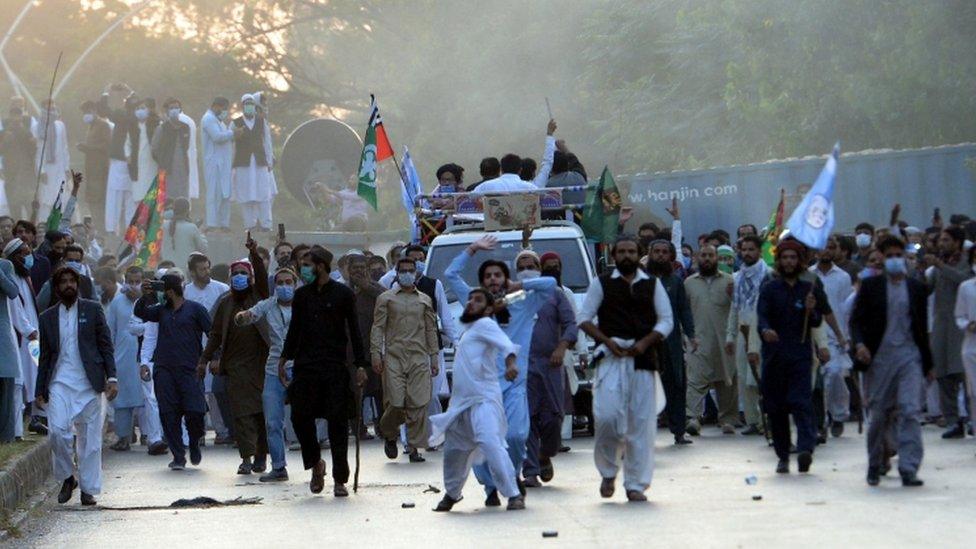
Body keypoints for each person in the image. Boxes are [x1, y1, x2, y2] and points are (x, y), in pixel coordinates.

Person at [444, 235, 555, 505]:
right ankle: (491, 486)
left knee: (516, 435)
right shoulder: (475, 303)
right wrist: (472, 249)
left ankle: (511, 473)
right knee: (485, 439)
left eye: (498, 275)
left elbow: (550, 283)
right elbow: (451, 274)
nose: (493, 279)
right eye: (489, 276)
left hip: (514, 382)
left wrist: (518, 285)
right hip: (482, 388)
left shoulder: (523, 301)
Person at [578, 235, 674, 502]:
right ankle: (608, 471)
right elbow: (583, 319)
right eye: (622, 252)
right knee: (608, 418)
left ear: (638, 253)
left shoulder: (652, 285)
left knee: (640, 426)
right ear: (614, 255)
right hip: (610, 359)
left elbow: (666, 321)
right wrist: (606, 341)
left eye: (632, 251)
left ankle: (636, 484)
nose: (627, 256)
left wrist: (644, 344)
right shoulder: (602, 283)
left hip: (642, 360)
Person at [279, 247, 367, 496]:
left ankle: (340, 479)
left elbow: (355, 332)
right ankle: (315, 463)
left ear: (321, 266)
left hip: (334, 367)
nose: (303, 269)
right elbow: (294, 330)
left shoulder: (343, 295)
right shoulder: (301, 296)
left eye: (308, 264)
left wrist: (361, 365)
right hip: (306, 367)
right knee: (299, 417)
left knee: (337, 425)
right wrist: (285, 357)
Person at [430, 289, 525, 512]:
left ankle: (513, 494)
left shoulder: (485, 325)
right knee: (455, 452)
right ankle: (452, 494)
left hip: (484, 400)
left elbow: (506, 345)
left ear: (489, 309)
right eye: (470, 298)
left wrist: (511, 364)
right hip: (461, 404)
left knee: (490, 443)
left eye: (478, 300)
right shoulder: (469, 329)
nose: (471, 302)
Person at [851, 236, 933, 487]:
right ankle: (875, 463)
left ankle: (908, 467)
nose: (895, 260)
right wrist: (860, 344)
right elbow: (856, 321)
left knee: (910, 410)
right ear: (883, 259)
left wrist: (929, 364)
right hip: (880, 359)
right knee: (879, 414)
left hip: (909, 357)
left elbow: (921, 328)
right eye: (890, 256)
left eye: (899, 255)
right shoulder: (871, 286)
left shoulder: (916, 288)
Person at [36, 266, 117, 506]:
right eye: (64, 282)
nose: (69, 285)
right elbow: (45, 356)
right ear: (57, 287)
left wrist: (112, 378)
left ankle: (88, 490)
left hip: (90, 382)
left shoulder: (93, 310)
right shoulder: (47, 317)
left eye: (73, 281)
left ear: (78, 284)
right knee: (57, 433)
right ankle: (68, 477)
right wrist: (40, 389)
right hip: (59, 381)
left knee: (90, 441)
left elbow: (106, 345)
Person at [200, 238, 270, 475]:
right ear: (230, 279)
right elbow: (216, 334)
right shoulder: (226, 303)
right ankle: (246, 458)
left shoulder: (259, 296)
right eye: (235, 274)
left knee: (261, 413)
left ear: (249, 278)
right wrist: (205, 359)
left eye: (243, 273)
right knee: (241, 415)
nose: (239, 277)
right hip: (236, 368)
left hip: (261, 364)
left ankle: (261, 456)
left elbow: (261, 273)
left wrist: (253, 254)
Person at [133, 272, 212, 470]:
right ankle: (178, 455)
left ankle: (194, 442)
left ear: (170, 291)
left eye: (162, 290)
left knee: (195, 411)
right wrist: (145, 295)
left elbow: (213, 334)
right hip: (164, 370)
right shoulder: (161, 311)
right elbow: (142, 312)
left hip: (190, 369)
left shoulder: (196, 310)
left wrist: (212, 358)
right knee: (169, 414)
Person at [757, 240, 823, 474]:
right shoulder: (769, 288)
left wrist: (811, 310)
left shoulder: (808, 288)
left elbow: (816, 321)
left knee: (801, 402)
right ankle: (783, 455)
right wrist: (766, 331)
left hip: (800, 355)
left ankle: (806, 448)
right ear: (779, 260)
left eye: (793, 258)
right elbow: (762, 317)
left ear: (800, 261)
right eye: (785, 258)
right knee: (776, 408)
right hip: (775, 357)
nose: (788, 262)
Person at [517, 250, 579, 486]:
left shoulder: (555, 294)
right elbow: (499, 319)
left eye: (531, 265)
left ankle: (545, 455)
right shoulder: (515, 296)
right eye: (521, 267)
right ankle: (530, 472)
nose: (526, 270)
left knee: (553, 418)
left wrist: (562, 348)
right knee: (528, 420)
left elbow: (571, 324)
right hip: (523, 367)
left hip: (551, 365)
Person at [371, 257, 439, 463]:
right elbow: (378, 327)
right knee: (397, 402)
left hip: (419, 357)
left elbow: (430, 329)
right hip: (394, 357)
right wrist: (376, 353)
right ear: (397, 273)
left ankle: (415, 447)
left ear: (416, 274)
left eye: (411, 270)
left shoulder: (425, 300)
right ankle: (390, 434)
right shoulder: (386, 298)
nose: (407, 274)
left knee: (419, 404)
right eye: (404, 270)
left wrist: (434, 357)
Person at [235, 266, 297, 482]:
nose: (284, 287)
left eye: (289, 282)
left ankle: (315, 462)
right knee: (272, 420)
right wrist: (242, 317)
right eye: (280, 283)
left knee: (305, 418)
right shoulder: (268, 305)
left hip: (300, 366)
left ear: (295, 284)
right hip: (274, 368)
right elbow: (252, 314)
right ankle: (279, 466)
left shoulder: (304, 304)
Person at [684, 245, 738, 435]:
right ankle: (693, 417)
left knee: (727, 379)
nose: (707, 259)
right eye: (703, 255)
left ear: (717, 258)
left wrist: (734, 297)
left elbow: (737, 309)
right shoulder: (689, 283)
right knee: (695, 379)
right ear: (698, 258)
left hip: (725, 340)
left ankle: (728, 420)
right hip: (697, 340)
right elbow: (685, 313)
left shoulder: (729, 282)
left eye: (711, 255)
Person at [646, 240, 696, 444]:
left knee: (676, 385)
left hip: (671, 343)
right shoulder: (641, 280)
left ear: (671, 256)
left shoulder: (675, 282)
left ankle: (679, 431)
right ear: (650, 254)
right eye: (656, 252)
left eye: (664, 252)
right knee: (646, 388)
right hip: (646, 344)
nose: (660, 256)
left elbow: (683, 309)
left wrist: (691, 335)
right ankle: (645, 435)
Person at [926, 226, 972, 439]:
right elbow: (927, 288)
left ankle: (972, 418)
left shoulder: (966, 263)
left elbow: (964, 281)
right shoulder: (937, 266)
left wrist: (941, 266)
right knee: (943, 375)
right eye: (940, 241)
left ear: (957, 242)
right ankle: (953, 421)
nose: (941, 244)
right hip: (941, 326)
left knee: (965, 375)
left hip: (962, 328)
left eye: (946, 240)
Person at [182, 252, 232, 443]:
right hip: (193, 348)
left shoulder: (221, 289)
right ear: (193, 272)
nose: (206, 272)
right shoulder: (186, 292)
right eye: (201, 269)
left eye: (207, 267)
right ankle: (198, 432)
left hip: (217, 348)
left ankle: (222, 431)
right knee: (196, 392)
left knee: (214, 393)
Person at [809, 236, 854, 437]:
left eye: (831, 248)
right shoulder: (809, 276)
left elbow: (846, 309)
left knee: (835, 374)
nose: (826, 251)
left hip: (837, 337)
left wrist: (846, 336)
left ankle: (839, 415)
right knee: (818, 381)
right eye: (823, 248)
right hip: (814, 335)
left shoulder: (843, 277)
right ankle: (821, 420)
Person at [725, 235, 767, 435]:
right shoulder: (737, 277)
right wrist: (730, 336)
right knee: (743, 377)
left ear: (759, 251)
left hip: (761, 332)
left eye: (752, 249)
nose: (748, 253)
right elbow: (735, 308)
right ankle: (752, 421)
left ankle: (766, 419)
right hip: (742, 331)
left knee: (759, 377)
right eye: (744, 249)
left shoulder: (769, 275)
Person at [232, 94, 276, 232]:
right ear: (242, 106)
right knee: (245, 196)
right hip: (243, 164)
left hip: (260, 162)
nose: (249, 106)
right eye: (247, 104)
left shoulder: (262, 122)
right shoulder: (235, 123)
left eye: (251, 104)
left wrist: (269, 161)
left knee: (264, 194)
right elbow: (231, 146)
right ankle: (249, 225)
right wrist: (231, 166)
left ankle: (266, 224)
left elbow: (267, 142)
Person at [98, 85, 139, 234]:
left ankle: (111, 228)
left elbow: (103, 110)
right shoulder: (137, 119)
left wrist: (106, 92)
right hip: (133, 163)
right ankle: (130, 231)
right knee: (130, 199)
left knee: (114, 196)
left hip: (119, 161)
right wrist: (130, 91)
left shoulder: (122, 116)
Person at [32, 100, 71, 222]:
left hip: (59, 167)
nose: (52, 111)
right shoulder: (37, 127)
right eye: (49, 109)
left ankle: (59, 225)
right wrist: (41, 170)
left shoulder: (60, 125)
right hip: (45, 169)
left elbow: (64, 147)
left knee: (60, 197)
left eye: (53, 108)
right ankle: (43, 225)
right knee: (45, 200)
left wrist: (66, 168)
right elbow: (37, 151)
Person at [201, 97, 234, 232]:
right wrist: (233, 133)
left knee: (225, 193)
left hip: (224, 164)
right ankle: (212, 223)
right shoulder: (208, 119)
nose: (225, 111)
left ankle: (224, 223)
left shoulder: (220, 122)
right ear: (216, 106)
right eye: (223, 108)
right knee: (214, 193)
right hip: (213, 163)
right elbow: (217, 137)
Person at [76, 101, 112, 228]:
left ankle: (102, 229)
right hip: (91, 169)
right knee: (92, 200)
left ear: (95, 111)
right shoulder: (91, 126)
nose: (86, 114)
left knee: (98, 201)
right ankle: (97, 227)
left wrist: (88, 147)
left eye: (88, 111)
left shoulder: (103, 125)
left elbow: (107, 145)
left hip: (100, 169)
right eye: (84, 112)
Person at [954, 245, 976, 440]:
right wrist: (968, 325)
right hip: (971, 347)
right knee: (974, 392)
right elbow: (959, 316)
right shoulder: (966, 287)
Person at [0, 102, 37, 215]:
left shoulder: (28, 133)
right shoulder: (4, 133)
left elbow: (34, 152)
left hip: (27, 176)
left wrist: (33, 144)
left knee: (31, 209)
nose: (16, 118)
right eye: (13, 115)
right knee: (15, 210)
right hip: (11, 176)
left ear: (21, 117)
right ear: (10, 117)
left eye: (18, 115)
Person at [151, 98, 191, 200]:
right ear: (167, 111)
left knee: (182, 197)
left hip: (182, 168)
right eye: (171, 108)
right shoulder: (161, 129)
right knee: (166, 199)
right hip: (166, 169)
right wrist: (163, 161)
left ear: (180, 110)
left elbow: (186, 146)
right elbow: (154, 149)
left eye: (177, 108)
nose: (174, 110)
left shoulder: (186, 127)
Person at [0, 256, 21, 442]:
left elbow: (13, 291)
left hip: (1, 336)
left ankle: (6, 436)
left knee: (5, 386)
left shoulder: (5, 266)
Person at [160, 198, 207, 265]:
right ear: (187, 211)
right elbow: (202, 249)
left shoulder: (163, 225)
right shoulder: (192, 227)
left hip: (166, 269)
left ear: (173, 210)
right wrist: (200, 232)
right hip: (185, 271)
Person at [12, 221, 50, 289]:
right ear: (15, 236)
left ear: (33, 236)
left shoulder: (43, 262)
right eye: (20, 232)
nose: (23, 235)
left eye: (27, 232)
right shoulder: (9, 262)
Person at [471, 154, 538, 193]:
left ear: (501, 170)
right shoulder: (531, 188)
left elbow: (469, 198)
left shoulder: (485, 186)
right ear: (520, 170)